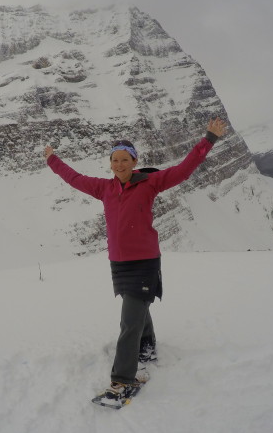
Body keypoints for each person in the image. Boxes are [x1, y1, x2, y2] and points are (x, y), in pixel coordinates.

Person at [44, 117, 227, 405]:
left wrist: (209, 139)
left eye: (124, 159)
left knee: (129, 323)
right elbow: (74, 178)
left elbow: (183, 170)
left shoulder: (149, 183)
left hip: (144, 263)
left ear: (134, 160)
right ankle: (148, 348)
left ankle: (122, 382)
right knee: (137, 308)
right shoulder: (104, 188)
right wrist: (53, 160)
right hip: (119, 264)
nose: (119, 165)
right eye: (114, 160)